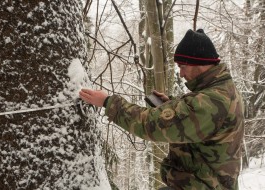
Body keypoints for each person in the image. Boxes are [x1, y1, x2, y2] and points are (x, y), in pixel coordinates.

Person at [79, 29, 244, 190]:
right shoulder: (221, 89)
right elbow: (195, 118)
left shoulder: (211, 101)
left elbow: (150, 124)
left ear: (196, 63)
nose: (180, 74)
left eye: (182, 66)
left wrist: (108, 102)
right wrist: (171, 105)